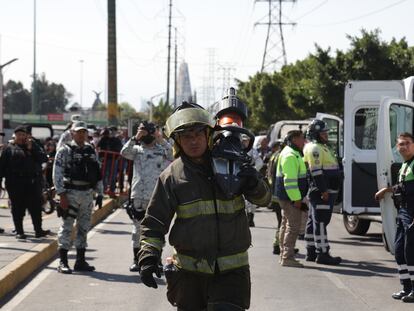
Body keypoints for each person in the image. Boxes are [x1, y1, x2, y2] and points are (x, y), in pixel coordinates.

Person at [137, 102, 271, 311]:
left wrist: (254, 183)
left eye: (198, 134)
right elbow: (154, 221)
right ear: (177, 141)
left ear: (208, 134)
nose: (193, 141)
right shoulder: (171, 177)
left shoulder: (231, 164)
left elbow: (264, 200)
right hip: (190, 277)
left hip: (231, 275)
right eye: (186, 137)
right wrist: (148, 255)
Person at [120, 121, 173, 272]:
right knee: (138, 230)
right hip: (138, 196)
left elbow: (172, 153)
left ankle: (156, 260)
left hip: (156, 197)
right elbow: (124, 152)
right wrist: (135, 137)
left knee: (157, 230)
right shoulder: (136, 150)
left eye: (145, 131)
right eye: (141, 130)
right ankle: (137, 260)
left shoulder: (162, 150)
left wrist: (160, 138)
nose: (144, 134)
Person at [53, 121, 104, 274]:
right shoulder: (64, 151)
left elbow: (97, 172)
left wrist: (100, 193)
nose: (81, 135)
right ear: (72, 133)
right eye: (78, 132)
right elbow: (57, 173)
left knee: (83, 227)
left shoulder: (90, 150)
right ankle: (63, 261)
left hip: (87, 194)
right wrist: (61, 195)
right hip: (70, 193)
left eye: (84, 132)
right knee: (67, 227)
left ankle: (80, 261)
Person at [375, 132, 414, 303]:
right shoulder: (406, 165)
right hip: (403, 212)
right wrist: (386, 190)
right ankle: (406, 287)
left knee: (410, 251)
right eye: (400, 144)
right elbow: (402, 186)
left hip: (412, 213)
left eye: (407, 143)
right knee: (399, 250)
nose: (403, 147)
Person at [303, 119, 342, 265]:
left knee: (313, 221)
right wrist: (324, 190)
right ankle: (323, 253)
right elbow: (316, 172)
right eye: (323, 133)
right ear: (315, 134)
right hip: (322, 191)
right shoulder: (315, 148)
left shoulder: (320, 146)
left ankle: (311, 251)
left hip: (324, 190)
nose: (326, 135)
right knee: (320, 222)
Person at [0, 125, 49, 239]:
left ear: (27, 136)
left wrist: (31, 148)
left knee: (36, 207)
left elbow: (43, 159)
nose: (21, 137)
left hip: (32, 182)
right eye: (19, 135)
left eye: (23, 135)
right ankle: (19, 231)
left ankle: (38, 230)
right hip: (15, 183)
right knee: (17, 207)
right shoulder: (9, 148)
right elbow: (2, 166)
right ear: (15, 135)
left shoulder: (33, 146)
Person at [275, 130, 308, 267]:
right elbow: (290, 181)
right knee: (293, 226)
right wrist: (297, 199)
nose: (304, 141)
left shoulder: (290, 152)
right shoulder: (290, 155)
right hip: (290, 198)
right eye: (302, 138)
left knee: (285, 224)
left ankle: (284, 255)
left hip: (286, 197)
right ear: (294, 139)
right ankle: (287, 257)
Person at [242, 134, 264, 227]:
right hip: (239, 176)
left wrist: (253, 170)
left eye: (246, 140)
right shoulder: (236, 149)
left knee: (251, 198)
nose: (244, 142)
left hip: (249, 177)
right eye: (243, 140)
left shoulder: (252, 150)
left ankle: (251, 218)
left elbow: (260, 162)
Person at [266, 140, 284, 254]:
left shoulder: (273, 156)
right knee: (283, 222)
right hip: (280, 194)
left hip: (273, 192)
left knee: (281, 221)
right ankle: (279, 245)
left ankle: (279, 244)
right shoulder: (282, 156)